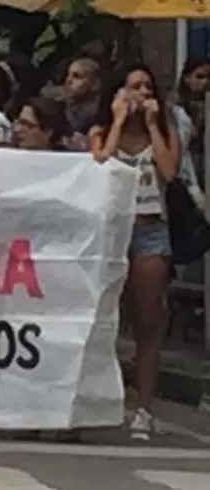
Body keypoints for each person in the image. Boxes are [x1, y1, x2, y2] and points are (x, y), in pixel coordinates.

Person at [88, 65, 179, 441]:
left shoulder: (165, 130)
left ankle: (144, 407)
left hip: (149, 230)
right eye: (132, 87)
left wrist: (155, 126)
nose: (141, 93)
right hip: (111, 232)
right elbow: (101, 165)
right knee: (102, 317)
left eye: (146, 86)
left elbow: (170, 171)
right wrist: (117, 121)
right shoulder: (100, 131)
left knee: (147, 320)